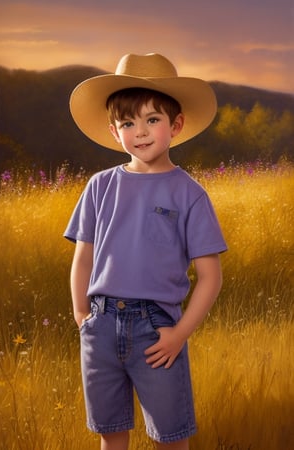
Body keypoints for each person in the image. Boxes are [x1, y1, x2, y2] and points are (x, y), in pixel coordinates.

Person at [64, 53, 227, 450]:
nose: (140, 131)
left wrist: (179, 335)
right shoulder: (99, 187)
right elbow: (83, 257)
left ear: (176, 125)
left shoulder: (189, 194)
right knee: (110, 433)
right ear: (113, 130)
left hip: (156, 330)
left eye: (152, 119)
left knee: (170, 437)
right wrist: (83, 316)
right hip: (100, 325)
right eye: (127, 122)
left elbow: (211, 275)